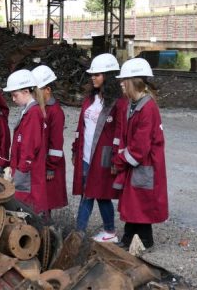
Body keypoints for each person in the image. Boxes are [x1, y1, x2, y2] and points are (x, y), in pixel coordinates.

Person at [113, 58, 168, 249]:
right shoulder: (134, 104)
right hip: (139, 165)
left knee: (141, 203)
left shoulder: (147, 108)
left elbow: (139, 147)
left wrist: (120, 161)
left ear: (133, 82)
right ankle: (129, 238)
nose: (121, 84)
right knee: (133, 202)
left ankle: (144, 240)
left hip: (144, 165)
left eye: (124, 80)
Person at [72, 53, 126, 243]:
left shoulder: (118, 103)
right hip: (87, 156)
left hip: (102, 158)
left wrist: (115, 160)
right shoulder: (90, 99)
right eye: (92, 74)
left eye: (98, 74)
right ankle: (106, 231)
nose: (93, 77)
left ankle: (80, 232)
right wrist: (75, 149)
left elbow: (120, 133)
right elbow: (81, 127)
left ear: (108, 76)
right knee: (93, 193)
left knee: (97, 193)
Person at [4, 69, 48, 213]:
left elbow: (29, 147)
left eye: (15, 95)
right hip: (23, 170)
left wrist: (20, 172)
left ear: (26, 91)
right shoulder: (28, 111)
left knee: (26, 209)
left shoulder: (33, 113)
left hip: (27, 173)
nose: (13, 99)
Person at [32, 65, 68, 216]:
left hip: (49, 163)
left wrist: (51, 166)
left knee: (46, 200)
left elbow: (56, 143)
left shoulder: (55, 112)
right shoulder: (39, 108)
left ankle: (46, 227)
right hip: (40, 161)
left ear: (48, 89)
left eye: (37, 90)